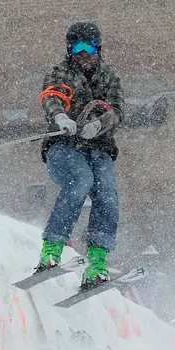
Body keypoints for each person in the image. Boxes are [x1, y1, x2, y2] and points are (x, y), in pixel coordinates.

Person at [36, 21, 124, 290]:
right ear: (69, 50)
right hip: (64, 147)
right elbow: (52, 96)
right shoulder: (60, 73)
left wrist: (99, 125)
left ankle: (97, 259)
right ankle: (52, 248)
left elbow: (117, 110)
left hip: (98, 147)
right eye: (77, 48)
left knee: (106, 190)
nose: (84, 54)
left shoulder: (109, 78)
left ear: (99, 48)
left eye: (90, 47)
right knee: (81, 180)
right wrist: (61, 116)